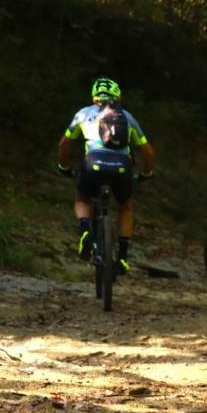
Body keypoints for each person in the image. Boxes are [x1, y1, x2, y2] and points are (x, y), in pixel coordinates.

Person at [56, 78, 156, 274]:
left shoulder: (83, 114)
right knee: (125, 207)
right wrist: (146, 173)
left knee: (82, 197)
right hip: (121, 168)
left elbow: (64, 145)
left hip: (92, 164)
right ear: (118, 98)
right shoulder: (127, 117)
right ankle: (123, 257)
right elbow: (148, 152)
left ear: (94, 99)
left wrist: (64, 166)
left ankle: (85, 230)